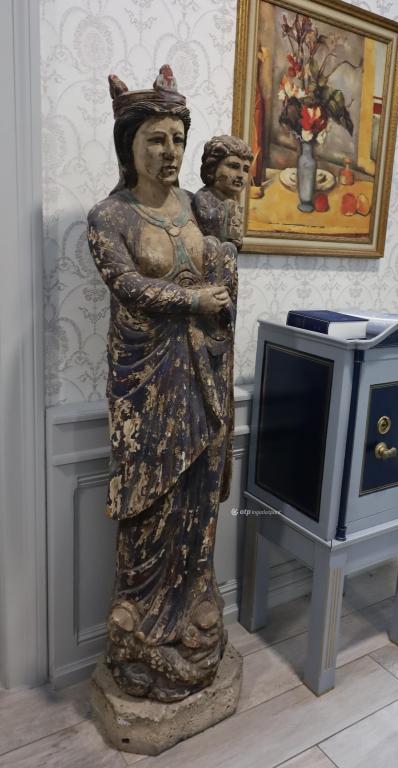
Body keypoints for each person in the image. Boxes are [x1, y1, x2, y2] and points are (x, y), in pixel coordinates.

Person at [87, 66, 247, 702]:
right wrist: (193, 302)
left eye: (178, 138)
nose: (170, 151)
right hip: (145, 387)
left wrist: (220, 289)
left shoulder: (198, 208)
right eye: (156, 139)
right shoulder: (109, 216)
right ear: (128, 145)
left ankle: (192, 607)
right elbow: (126, 285)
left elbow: (225, 265)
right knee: (151, 505)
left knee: (198, 496)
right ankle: (140, 624)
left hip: (203, 373)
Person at [192, 135, 252, 249]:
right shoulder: (204, 198)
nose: (240, 175)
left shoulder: (232, 201)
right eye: (233, 166)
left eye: (245, 169)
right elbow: (210, 231)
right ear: (212, 168)